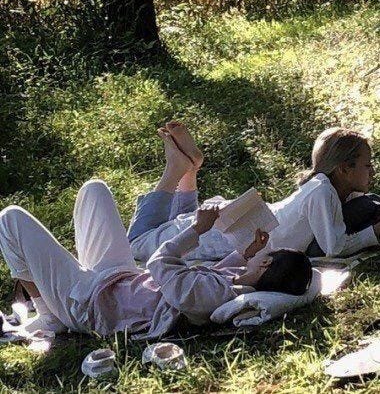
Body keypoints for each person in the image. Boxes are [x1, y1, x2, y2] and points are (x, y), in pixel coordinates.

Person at [0, 130, 312, 339]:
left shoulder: (213, 296)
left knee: (10, 218)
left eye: (265, 256)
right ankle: (68, 280)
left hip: (90, 308)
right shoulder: (237, 281)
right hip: (116, 278)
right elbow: (225, 272)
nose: (259, 255)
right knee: (95, 190)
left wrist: (197, 230)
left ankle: (50, 314)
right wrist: (246, 252)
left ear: (267, 266)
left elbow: (160, 263)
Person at [129, 124, 380, 262]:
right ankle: (175, 170)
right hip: (224, 238)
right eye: (367, 165)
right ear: (345, 169)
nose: (372, 171)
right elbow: (334, 247)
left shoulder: (329, 188)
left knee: (173, 224)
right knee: (136, 244)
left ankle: (188, 170)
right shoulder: (322, 192)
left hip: (237, 222)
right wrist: (375, 234)